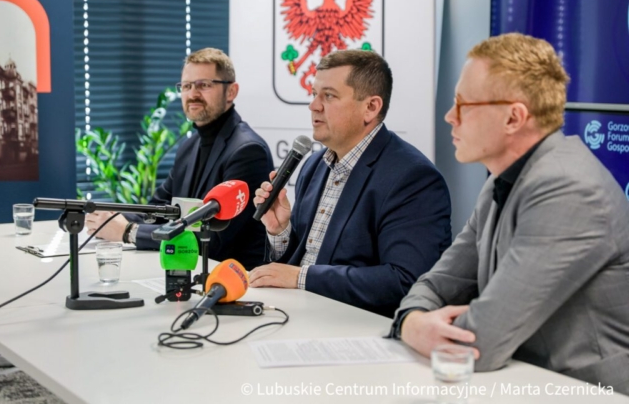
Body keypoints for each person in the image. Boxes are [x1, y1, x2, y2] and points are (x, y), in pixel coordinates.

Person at [392, 33, 629, 393]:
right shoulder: (502, 180)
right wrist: (413, 322)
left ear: (514, 118)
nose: (450, 117)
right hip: (525, 382)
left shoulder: (569, 189)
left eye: (464, 105)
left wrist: (416, 326)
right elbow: (436, 285)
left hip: (587, 392)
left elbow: (481, 342)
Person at [250, 49, 451, 317]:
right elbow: (302, 259)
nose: (313, 106)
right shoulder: (314, 165)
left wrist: (302, 278)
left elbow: (405, 280)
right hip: (299, 313)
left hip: (357, 326)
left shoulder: (413, 178)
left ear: (371, 107)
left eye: (329, 96)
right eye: (314, 94)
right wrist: (280, 231)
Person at [86, 48, 273, 270]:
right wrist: (108, 217)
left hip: (233, 279)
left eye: (204, 85)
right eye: (186, 86)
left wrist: (129, 232)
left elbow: (213, 240)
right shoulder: (189, 147)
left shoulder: (248, 151)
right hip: (190, 271)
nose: (193, 94)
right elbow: (158, 210)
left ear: (231, 91)